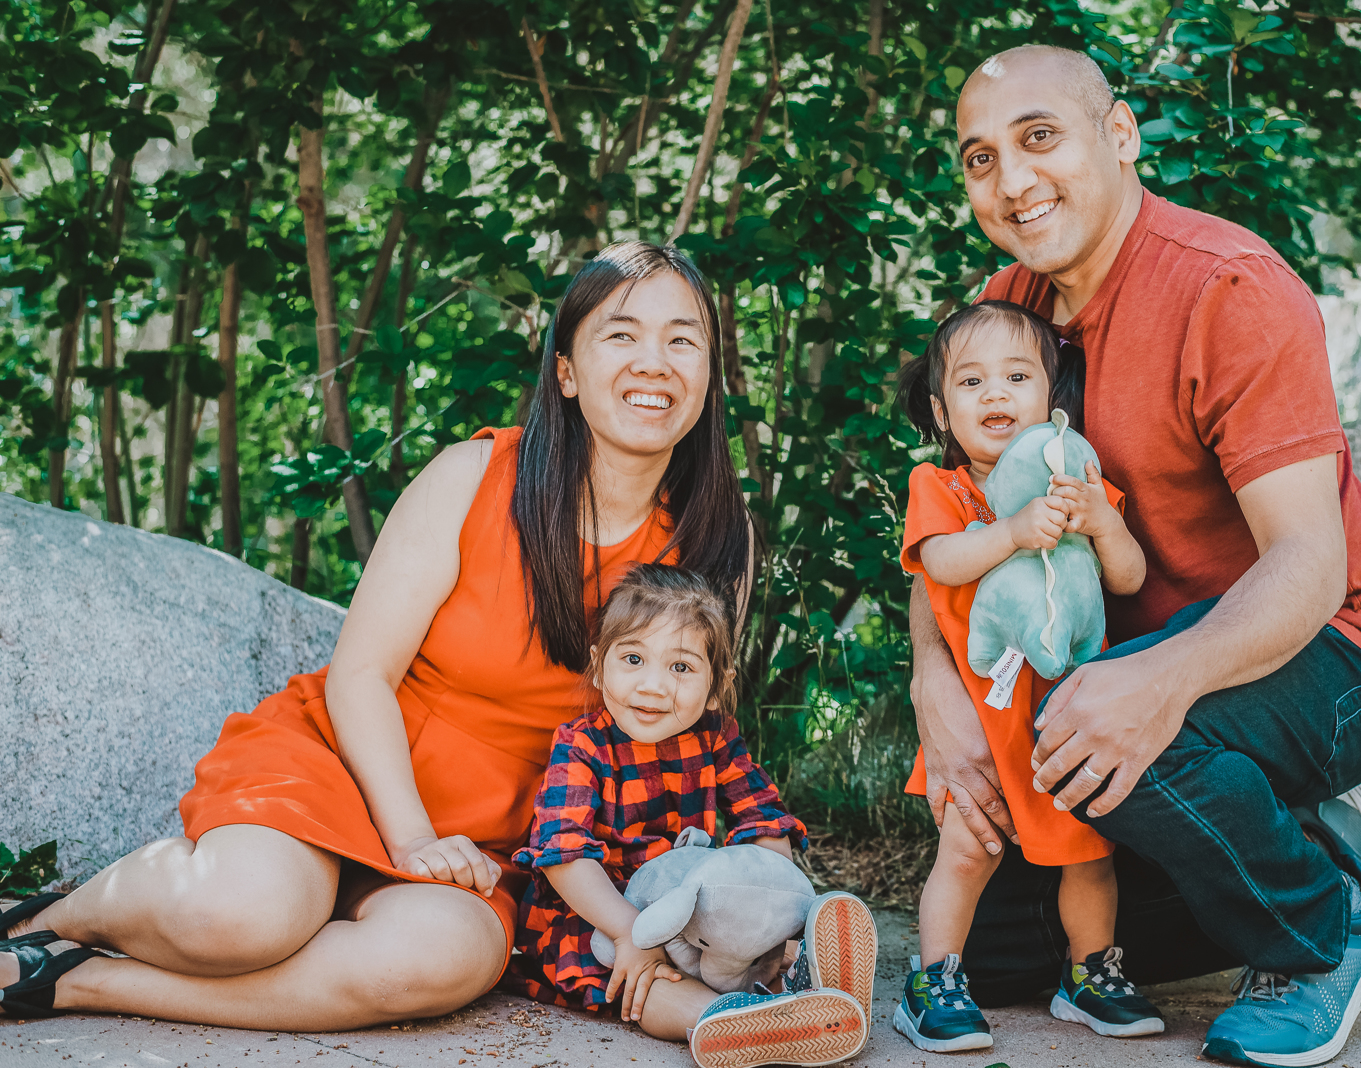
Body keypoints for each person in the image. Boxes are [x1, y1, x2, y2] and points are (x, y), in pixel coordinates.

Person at [0, 243, 877, 1058]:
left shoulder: (718, 539)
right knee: (246, 915)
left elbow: (688, 744)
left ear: (708, 375)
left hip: (493, 846)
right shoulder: (475, 476)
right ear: (567, 373)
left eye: (683, 340)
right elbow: (363, 673)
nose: (655, 362)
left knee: (441, 964)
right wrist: (411, 835)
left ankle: (77, 982)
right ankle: (49, 918)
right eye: (622, 334)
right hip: (349, 766)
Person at [908, 46, 1361, 1068]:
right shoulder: (1006, 307)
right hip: (1116, 664)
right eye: (979, 158)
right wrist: (936, 681)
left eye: (1038, 138)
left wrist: (1153, 683)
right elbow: (947, 525)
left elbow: (1307, 567)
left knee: (1113, 733)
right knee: (997, 945)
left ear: (1118, 136)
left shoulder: (1228, 288)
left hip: (1336, 650)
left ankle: (1326, 926)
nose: (1011, 181)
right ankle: (1305, 834)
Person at [890, 300, 1160, 1053]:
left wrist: (1102, 523)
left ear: (1052, 400)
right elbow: (940, 561)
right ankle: (935, 980)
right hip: (981, 719)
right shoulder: (940, 489)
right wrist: (1010, 530)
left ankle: (1090, 973)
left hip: (1064, 718)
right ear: (944, 411)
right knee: (967, 849)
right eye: (972, 383)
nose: (997, 394)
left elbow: (1131, 578)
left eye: (1017, 376)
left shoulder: (1076, 479)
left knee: (1089, 854)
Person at [511, 563, 868, 1068]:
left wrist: (771, 913)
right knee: (649, 988)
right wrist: (629, 934)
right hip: (599, 918)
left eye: (681, 667)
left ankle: (803, 981)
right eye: (633, 658)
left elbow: (763, 823)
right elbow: (563, 854)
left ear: (716, 684)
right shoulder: (582, 744)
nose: (654, 686)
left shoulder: (715, 737)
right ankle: (739, 1019)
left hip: (692, 915)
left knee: (755, 950)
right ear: (598, 665)